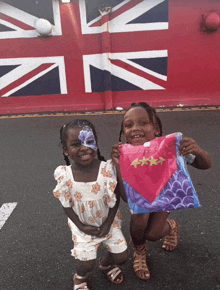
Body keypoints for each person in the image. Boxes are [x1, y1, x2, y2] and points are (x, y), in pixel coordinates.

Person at [111, 102, 211, 281]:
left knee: (153, 234)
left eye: (143, 123)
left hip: (164, 199)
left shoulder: (171, 148)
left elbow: (205, 165)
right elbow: (127, 198)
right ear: (123, 132)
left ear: (156, 128)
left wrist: (198, 151)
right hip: (140, 203)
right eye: (128, 125)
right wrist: (118, 166)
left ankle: (171, 227)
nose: (135, 128)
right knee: (139, 219)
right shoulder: (123, 156)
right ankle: (140, 251)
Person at [53, 119, 128, 290]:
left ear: (97, 144)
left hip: (109, 221)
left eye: (89, 141)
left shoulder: (108, 169)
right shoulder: (65, 175)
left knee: (122, 257)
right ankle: (81, 275)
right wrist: (80, 226)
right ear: (66, 150)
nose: (84, 148)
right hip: (82, 226)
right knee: (87, 263)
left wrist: (108, 223)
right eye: (75, 144)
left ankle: (106, 264)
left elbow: (115, 196)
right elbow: (65, 204)